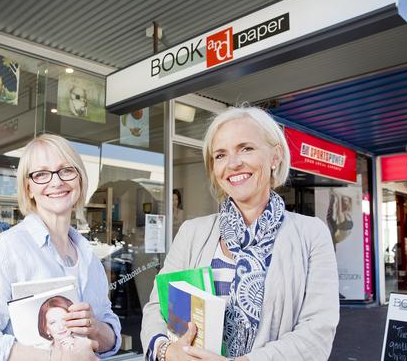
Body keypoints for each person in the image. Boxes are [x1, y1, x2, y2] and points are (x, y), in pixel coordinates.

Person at [141, 107, 339, 360]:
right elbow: (158, 308)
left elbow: (317, 331)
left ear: (275, 156)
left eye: (246, 148)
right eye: (221, 155)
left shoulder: (311, 235)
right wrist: (167, 351)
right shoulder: (192, 233)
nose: (233, 163)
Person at [0, 134, 121, 361]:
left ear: (79, 179)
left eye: (66, 170)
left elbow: (110, 333)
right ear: (28, 188)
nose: (56, 182)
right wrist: (54, 358)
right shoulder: (6, 251)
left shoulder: (89, 257)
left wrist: (95, 328)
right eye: (41, 174)